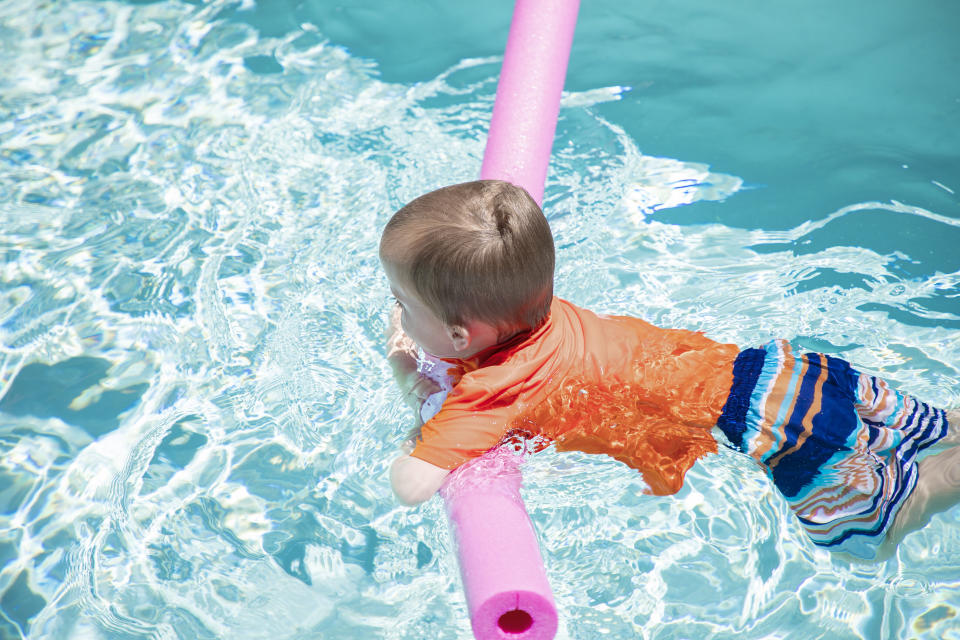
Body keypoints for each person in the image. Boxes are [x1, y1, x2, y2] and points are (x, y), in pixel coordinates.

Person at [379, 179, 960, 561]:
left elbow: (412, 486)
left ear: (461, 334)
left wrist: (407, 368)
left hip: (775, 429)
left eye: (404, 303)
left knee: (871, 537)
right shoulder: (539, 309)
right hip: (784, 372)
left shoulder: (493, 388)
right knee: (940, 427)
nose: (398, 311)